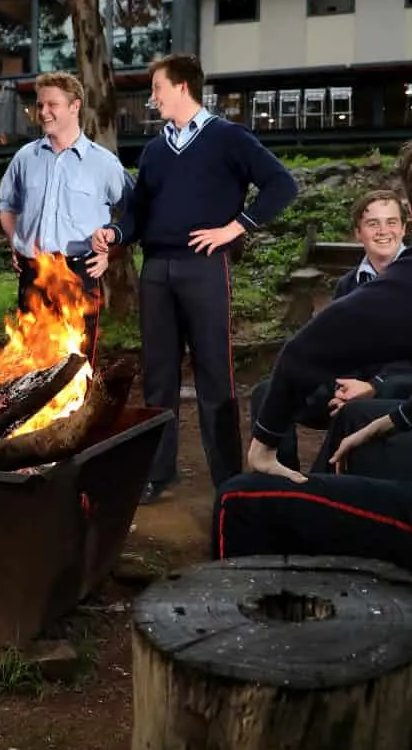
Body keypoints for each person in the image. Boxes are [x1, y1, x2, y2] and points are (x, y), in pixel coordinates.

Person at [216, 128, 412, 585]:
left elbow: (301, 355)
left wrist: (265, 443)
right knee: (362, 445)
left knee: (238, 501)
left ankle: (259, 644)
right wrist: (392, 420)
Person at [93, 53, 298, 499]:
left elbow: (283, 185)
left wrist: (234, 227)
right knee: (159, 378)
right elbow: (138, 214)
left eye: (157, 88)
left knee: (215, 376)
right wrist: (114, 231)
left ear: (182, 86)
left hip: (205, 267)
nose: (152, 98)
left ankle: (229, 478)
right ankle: (156, 473)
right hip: (157, 270)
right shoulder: (153, 150)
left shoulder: (228, 138)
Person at [248, 189, 412, 470]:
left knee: (353, 411)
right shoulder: (348, 285)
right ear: (358, 232)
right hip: (349, 385)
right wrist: (344, 387)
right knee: (266, 392)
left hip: (402, 387)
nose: (383, 231)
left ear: (403, 229)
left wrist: (374, 387)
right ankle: (280, 478)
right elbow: (336, 347)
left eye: (391, 222)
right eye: (373, 223)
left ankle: (316, 489)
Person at [0, 71, 132, 365]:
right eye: (40, 105)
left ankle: (81, 411)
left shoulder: (104, 163)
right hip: (34, 276)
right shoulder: (24, 159)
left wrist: (112, 251)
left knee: (78, 366)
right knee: (31, 365)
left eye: (51, 105)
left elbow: (135, 213)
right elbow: (7, 206)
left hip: (79, 275)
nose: (43, 112)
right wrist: (16, 243)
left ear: (74, 106)